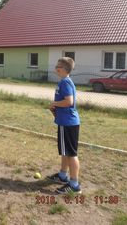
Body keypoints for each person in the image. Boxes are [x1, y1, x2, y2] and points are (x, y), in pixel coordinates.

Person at [47, 57, 81, 194]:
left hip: (68, 124)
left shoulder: (65, 82)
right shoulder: (64, 82)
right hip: (65, 122)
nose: (55, 67)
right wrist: (55, 111)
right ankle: (62, 176)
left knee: (71, 153)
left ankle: (74, 185)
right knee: (65, 152)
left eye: (57, 65)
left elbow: (69, 102)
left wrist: (54, 104)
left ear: (61, 69)